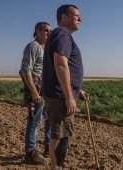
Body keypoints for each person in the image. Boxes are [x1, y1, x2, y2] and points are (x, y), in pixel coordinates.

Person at [42, 4, 87, 170]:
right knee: (61, 136)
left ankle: (56, 166)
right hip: (60, 97)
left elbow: (60, 68)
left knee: (59, 134)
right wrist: (69, 96)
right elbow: (60, 64)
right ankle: (56, 167)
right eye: (76, 16)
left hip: (60, 94)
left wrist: (77, 90)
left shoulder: (60, 35)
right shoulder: (62, 34)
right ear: (64, 17)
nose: (80, 19)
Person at [19, 21, 51, 165]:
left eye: (50, 31)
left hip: (44, 88)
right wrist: (33, 93)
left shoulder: (44, 48)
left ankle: (48, 147)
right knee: (35, 121)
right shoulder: (33, 46)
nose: (48, 33)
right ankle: (30, 153)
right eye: (45, 30)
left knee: (48, 118)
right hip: (36, 87)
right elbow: (25, 70)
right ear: (37, 31)